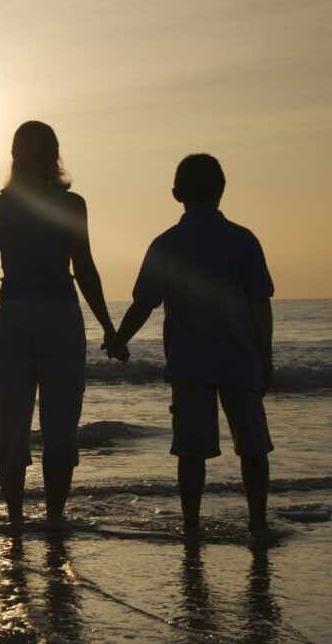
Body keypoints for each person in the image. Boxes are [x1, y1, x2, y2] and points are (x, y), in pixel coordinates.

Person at [107, 153, 274, 536]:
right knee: (252, 447)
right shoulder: (244, 240)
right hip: (239, 357)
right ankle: (259, 523)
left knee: (191, 450)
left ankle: (192, 526)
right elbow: (260, 305)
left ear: (176, 193)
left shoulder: (167, 243)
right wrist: (266, 356)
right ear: (222, 191)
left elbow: (144, 303)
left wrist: (119, 339)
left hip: (190, 362)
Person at [0, 121, 118, 527]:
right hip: (58, 313)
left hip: (14, 311)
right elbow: (84, 268)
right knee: (60, 422)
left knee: (11, 422)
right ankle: (54, 518)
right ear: (55, 155)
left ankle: (16, 519)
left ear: (14, 156)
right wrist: (109, 326)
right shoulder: (71, 205)